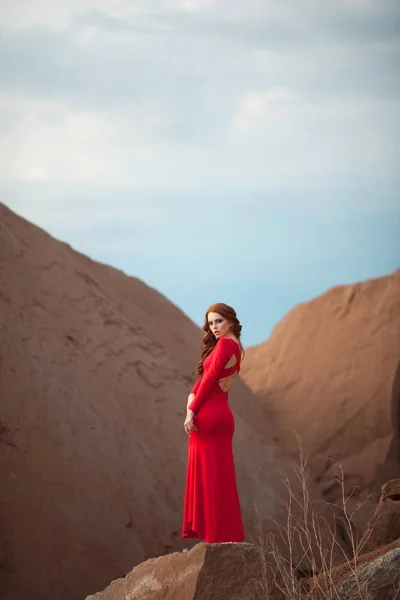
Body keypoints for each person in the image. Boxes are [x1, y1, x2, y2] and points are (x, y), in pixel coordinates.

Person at [181, 303, 245, 543]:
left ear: (229, 320)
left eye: (218, 321)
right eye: (210, 323)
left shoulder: (226, 345)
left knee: (210, 477)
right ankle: (223, 534)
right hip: (219, 414)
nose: (214, 327)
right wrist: (191, 398)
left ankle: (215, 535)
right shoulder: (235, 346)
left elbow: (207, 381)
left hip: (209, 415)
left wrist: (191, 411)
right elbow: (204, 381)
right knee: (220, 477)